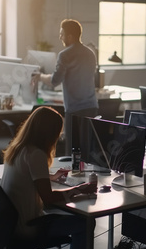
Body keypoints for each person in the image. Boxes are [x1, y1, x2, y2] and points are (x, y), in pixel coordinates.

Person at [0, 106, 97, 249]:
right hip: (28, 227)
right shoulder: (36, 154)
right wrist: (79, 189)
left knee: (62, 212)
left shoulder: (18, 148)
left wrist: (50, 177)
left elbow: (28, 177)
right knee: (85, 223)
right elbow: (49, 199)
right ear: (49, 133)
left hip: (8, 224)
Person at [32, 19, 98, 155]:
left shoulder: (65, 55)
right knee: (87, 149)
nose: (60, 37)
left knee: (72, 151)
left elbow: (54, 81)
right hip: (91, 107)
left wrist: (40, 76)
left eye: (62, 34)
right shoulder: (90, 53)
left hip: (74, 109)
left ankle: (72, 175)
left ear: (70, 36)